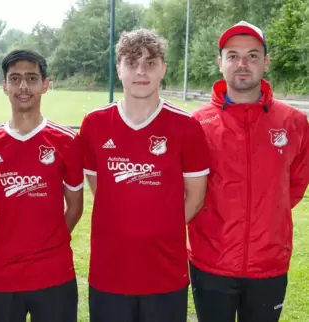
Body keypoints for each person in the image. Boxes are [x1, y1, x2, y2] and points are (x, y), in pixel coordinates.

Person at [79, 28, 210, 322]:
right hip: (109, 271)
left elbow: (196, 196)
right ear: (119, 68)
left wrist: (159, 228)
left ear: (163, 69)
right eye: (131, 62)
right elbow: (101, 189)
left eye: (150, 63)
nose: (141, 71)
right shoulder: (95, 124)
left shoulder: (186, 127)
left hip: (165, 272)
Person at [187, 21, 309, 322]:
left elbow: (294, 185)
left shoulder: (293, 122)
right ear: (220, 63)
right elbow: (186, 189)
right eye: (233, 55)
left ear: (265, 63)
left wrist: (265, 215)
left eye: (253, 55)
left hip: (269, 263)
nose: (243, 64)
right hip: (210, 262)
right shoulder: (195, 124)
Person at [0, 49, 84, 322]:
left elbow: (76, 206)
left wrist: (51, 239)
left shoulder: (67, 141)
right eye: (16, 79)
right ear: (5, 86)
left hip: (54, 272)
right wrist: (7, 242)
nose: (23, 86)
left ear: (45, 85)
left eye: (32, 78)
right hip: (1, 274)